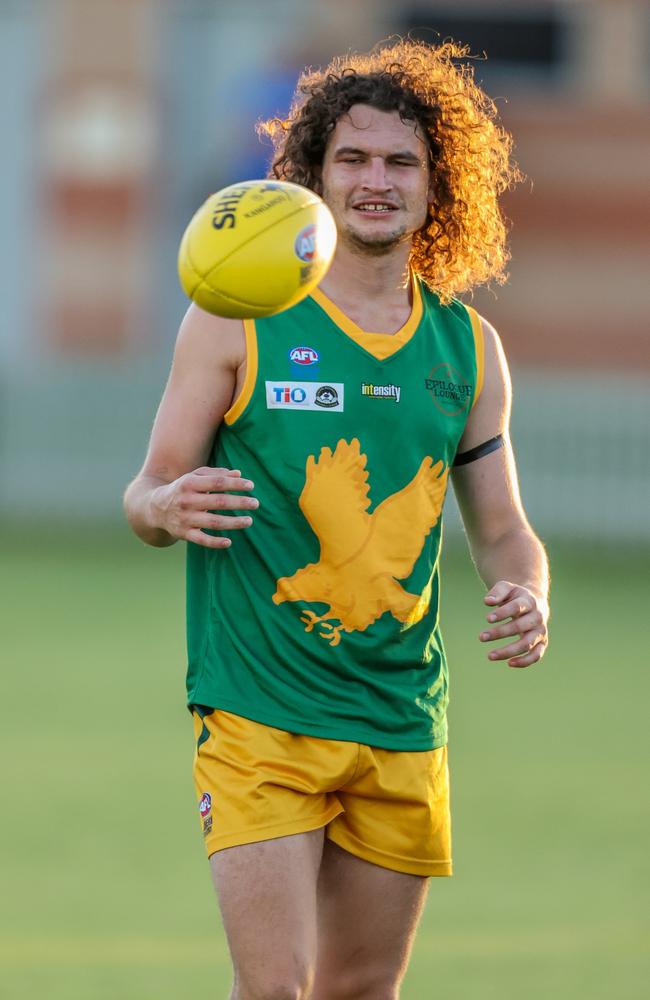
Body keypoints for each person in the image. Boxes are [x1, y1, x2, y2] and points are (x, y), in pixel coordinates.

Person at [124, 38, 549, 1000]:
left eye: (402, 162)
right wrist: (165, 504)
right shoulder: (236, 316)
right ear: (310, 178)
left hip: (401, 718)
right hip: (259, 710)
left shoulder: (469, 348)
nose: (376, 181)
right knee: (275, 989)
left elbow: (503, 530)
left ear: (439, 186)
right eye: (352, 159)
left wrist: (529, 589)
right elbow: (146, 495)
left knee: (361, 992)